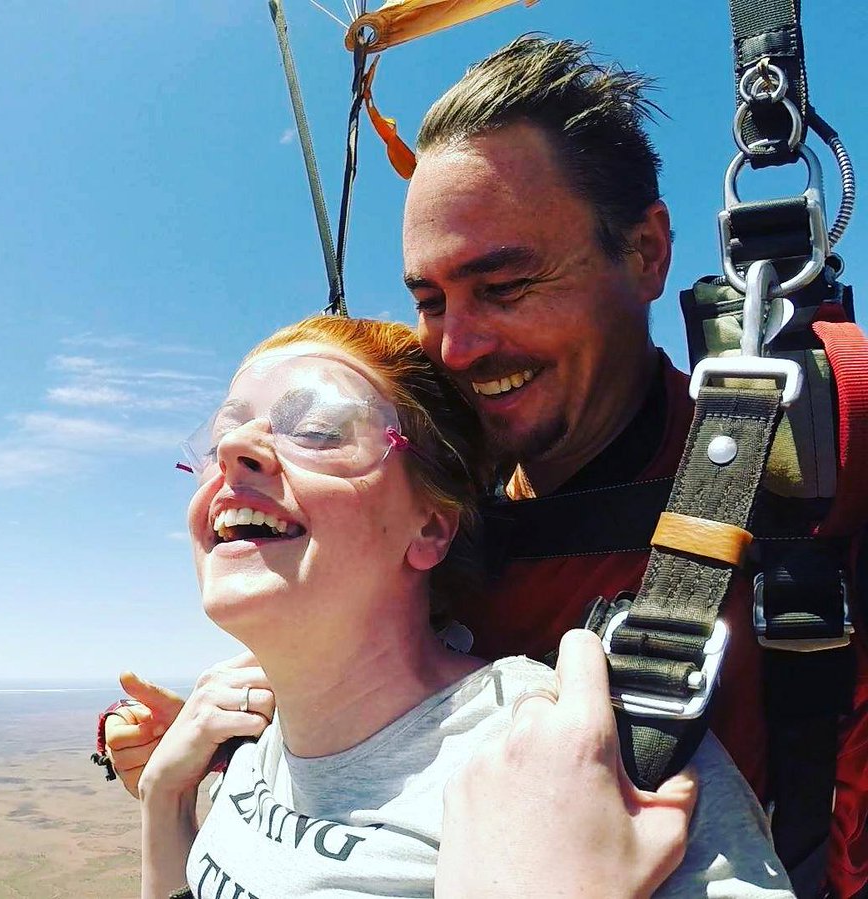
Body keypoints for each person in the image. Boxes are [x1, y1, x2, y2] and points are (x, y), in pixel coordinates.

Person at [106, 35, 868, 897]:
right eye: (430, 300)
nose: (459, 346)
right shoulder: (427, 507)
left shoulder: (806, 474)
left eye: (504, 285)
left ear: (647, 252)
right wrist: (229, 753)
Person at [140, 314, 791, 899]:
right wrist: (165, 798)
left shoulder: (564, 754)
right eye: (222, 432)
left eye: (317, 430)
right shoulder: (253, 742)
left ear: (431, 526)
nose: (233, 451)